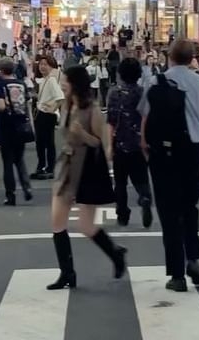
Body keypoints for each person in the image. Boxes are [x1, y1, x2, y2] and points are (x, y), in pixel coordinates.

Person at [140, 40, 199, 292]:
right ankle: (193, 259)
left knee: (168, 212)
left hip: (163, 152)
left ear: (170, 57)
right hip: (193, 150)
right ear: (192, 58)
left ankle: (177, 275)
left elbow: (145, 117)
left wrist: (145, 146)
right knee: (189, 207)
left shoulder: (155, 82)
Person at [47, 65, 127, 290]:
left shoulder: (91, 109)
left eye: (65, 80)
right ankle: (67, 273)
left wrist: (82, 135)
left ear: (75, 84)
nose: (62, 84)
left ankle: (115, 253)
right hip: (66, 166)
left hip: (87, 170)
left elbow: (99, 143)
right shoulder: (65, 104)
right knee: (57, 221)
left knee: (86, 225)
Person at [106, 57, 153, 228]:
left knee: (120, 182)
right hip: (140, 143)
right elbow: (148, 117)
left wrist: (109, 146)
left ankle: (122, 213)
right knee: (141, 178)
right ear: (139, 74)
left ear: (120, 74)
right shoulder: (143, 93)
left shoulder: (114, 93)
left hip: (119, 143)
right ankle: (145, 197)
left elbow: (111, 121)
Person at [0, 58, 34, 206]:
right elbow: (27, 104)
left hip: (7, 126)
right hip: (22, 124)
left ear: (0, 70)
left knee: (7, 162)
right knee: (19, 159)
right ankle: (27, 187)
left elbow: (1, 106)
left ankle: (10, 195)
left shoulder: (0, 85)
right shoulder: (21, 84)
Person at [33, 56, 64, 179]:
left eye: (46, 64)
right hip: (41, 113)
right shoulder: (44, 80)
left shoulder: (51, 80)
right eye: (41, 64)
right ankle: (43, 166)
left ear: (52, 66)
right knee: (42, 142)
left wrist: (52, 109)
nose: (42, 67)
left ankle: (48, 167)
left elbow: (60, 97)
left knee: (46, 142)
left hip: (46, 115)